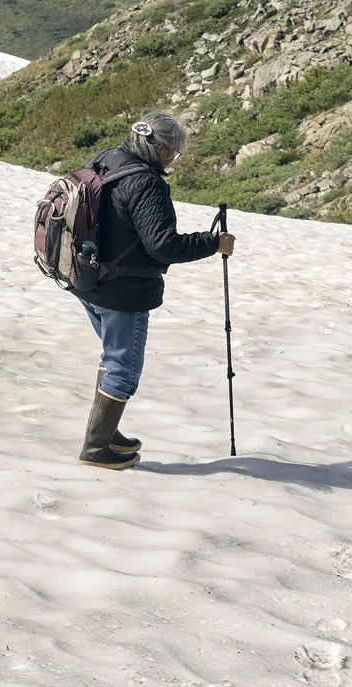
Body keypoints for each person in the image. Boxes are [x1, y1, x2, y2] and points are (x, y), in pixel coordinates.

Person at [75, 112, 234, 469]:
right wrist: (213, 243)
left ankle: (106, 431)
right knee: (124, 367)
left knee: (112, 356)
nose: (171, 160)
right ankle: (96, 449)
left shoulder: (107, 158)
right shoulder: (146, 183)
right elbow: (163, 246)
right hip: (122, 289)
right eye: (172, 153)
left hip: (89, 279)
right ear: (160, 148)